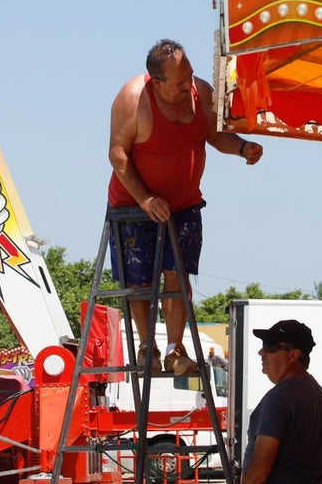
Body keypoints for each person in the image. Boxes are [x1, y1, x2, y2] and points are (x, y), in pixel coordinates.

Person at [107, 39, 263, 375]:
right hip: (133, 206)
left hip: (184, 205)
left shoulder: (202, 94)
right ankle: (147, 346)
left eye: (190, 75)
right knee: (139, 283)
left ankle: (174, 350)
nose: (188, 85)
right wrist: (145, 199)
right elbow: (117, 155)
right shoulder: (133, 99)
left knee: (178, 278)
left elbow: (215, 135)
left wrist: (242, 148)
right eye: (180, 83)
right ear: (156, 82)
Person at [241, 320, 322, 484]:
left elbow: (259, 472)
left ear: (293, 355)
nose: (261, 352)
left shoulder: (279, 398)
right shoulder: (320, 395)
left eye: (270, 346)